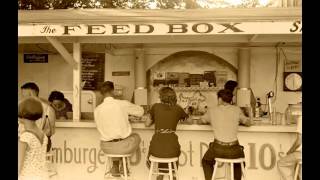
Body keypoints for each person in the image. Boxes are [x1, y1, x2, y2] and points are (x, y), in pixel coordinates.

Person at [94, 81, 144, 177]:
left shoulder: (97, 109)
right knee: (135, 136)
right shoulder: (122, 104)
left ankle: (116, 165)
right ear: (113, 91)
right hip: (122, 147)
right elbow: (140, 112)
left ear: (101, 93)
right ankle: (124, 164)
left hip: (106, 147)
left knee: (115, 138)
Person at [202, 89, 251, 180]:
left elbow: (202, 121)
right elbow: (248, 123)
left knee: (206, 161)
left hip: (217, 149)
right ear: (230, 100)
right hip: (234, 150)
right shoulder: (237, 109)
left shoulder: (212, 110)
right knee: (239, 163)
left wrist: (211, 120)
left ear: (220, 99)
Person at [145, 87, 189, 180]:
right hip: (172, 149)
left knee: (161, 145)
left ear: (161, 97)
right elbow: (190, 121)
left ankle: (160, 175)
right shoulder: (178, 108)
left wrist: (155, 119)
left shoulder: (155, 106)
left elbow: (147, 124)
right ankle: (172, 176)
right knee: (170, 148)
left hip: (155, 149)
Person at [18, 97, 49, 180]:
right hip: (42, 175)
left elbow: (19, 165)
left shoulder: (25, 137)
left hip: (27, 176)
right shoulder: (43, 135)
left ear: (23, 114)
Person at [19, 82, 56, 152]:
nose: (22, 97)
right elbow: (51, 131)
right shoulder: (49, 108)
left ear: (30, 93)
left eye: (23, 94)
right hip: (43, 142)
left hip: (27, 142)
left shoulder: (23, 107)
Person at [277, 116, 302, 180]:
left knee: (281, 163)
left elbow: (299, 141)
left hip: (300, 154)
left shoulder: (301, 118)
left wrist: (290, 151)